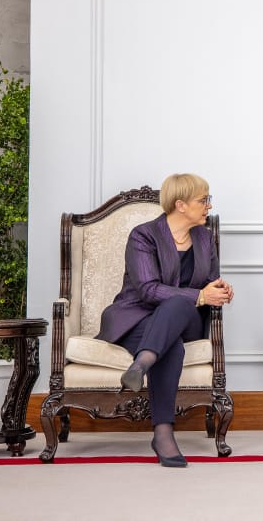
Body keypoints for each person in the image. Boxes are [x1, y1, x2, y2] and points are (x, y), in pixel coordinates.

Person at [95, 173, 234, 468]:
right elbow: (147, 290)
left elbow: (208, 284)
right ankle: (163, 433)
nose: (208, 205)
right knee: (172, 347)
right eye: (203, 199)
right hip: (137, 318)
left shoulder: (204, 237)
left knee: (178, 304)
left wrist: (220, 290)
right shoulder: (143, 235)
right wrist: (199, 295)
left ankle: (141, 364)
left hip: (186, 321)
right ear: (180, 204)